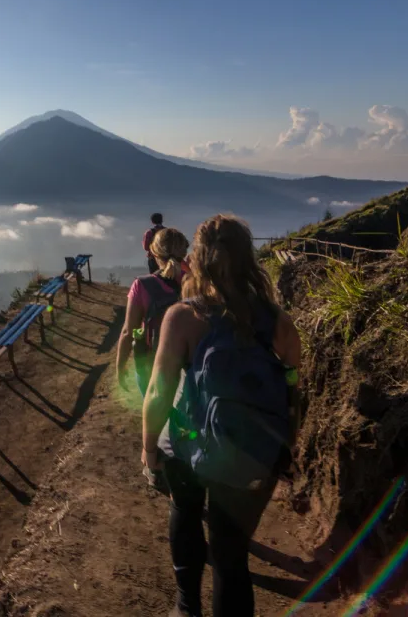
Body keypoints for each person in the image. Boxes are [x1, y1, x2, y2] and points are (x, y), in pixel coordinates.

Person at [141, 215, 302, 617]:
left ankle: (186, 607)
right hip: (249, 453)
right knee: (232, 556)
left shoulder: (182, 317)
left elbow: (159, 392)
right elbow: (294, 391)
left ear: (196, 260)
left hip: (187, 445)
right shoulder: (280, 324)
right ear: (249, 259)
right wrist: (284, 446)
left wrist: (148, 449)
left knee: (186, 512)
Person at [116, 227, 190, 488]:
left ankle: (156, 467)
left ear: (153, 253)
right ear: (185, 252)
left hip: (149, 362)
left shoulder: (142, 286)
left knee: (154, 409)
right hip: (187, 363)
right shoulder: (195, 282)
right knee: (181, 412)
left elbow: (128, 331)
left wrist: (120, 367)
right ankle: (184, 456)